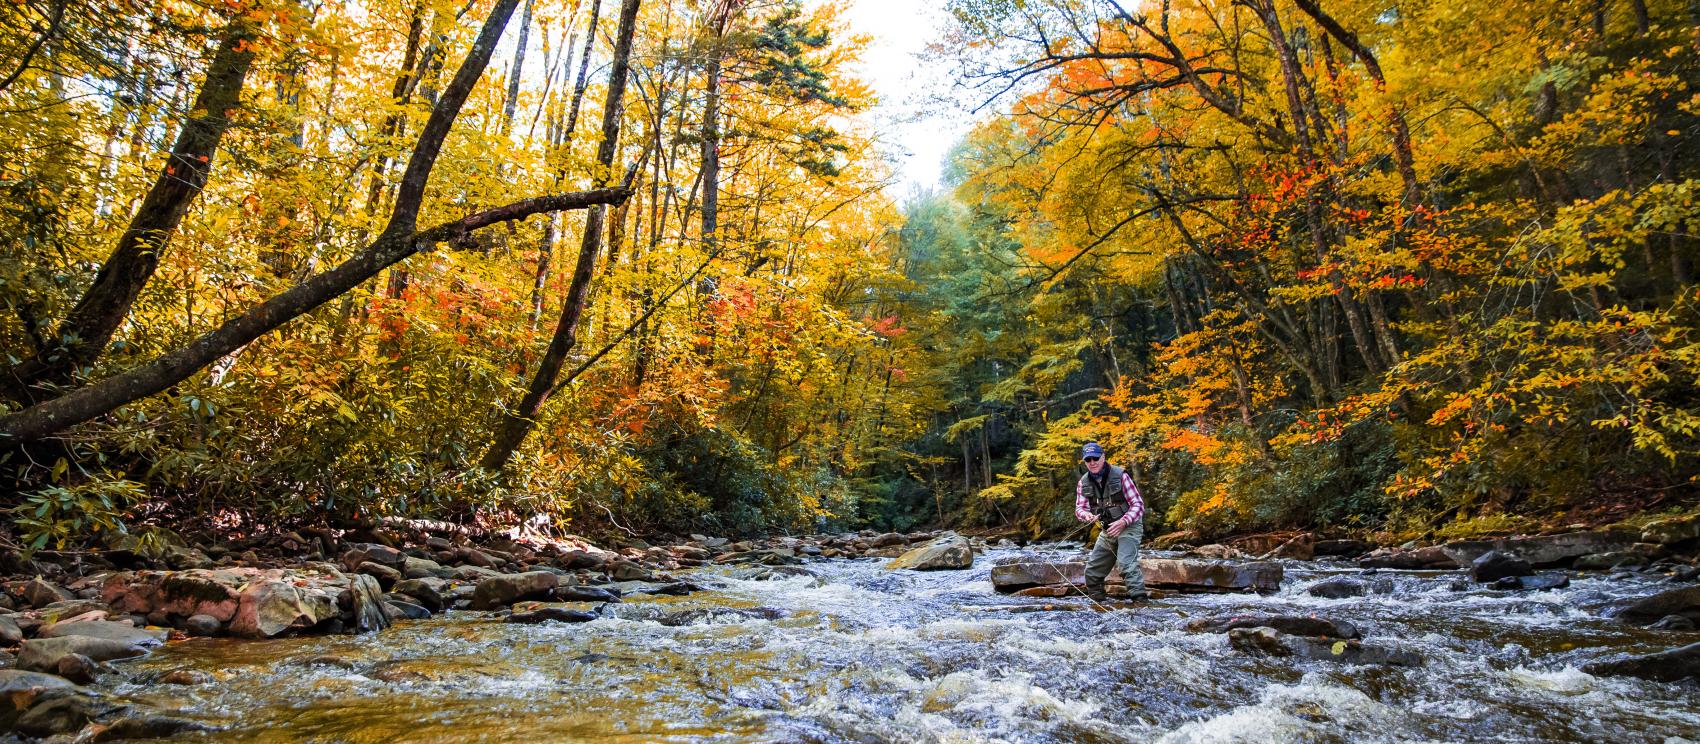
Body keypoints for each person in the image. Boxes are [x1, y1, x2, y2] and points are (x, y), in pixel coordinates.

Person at [1074, 441, 1147, 601]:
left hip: (1129, 526)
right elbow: (1079, 508)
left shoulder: (1121, 476)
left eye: (1096, 458)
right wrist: (1086, 515)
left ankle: (1141, 604)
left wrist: (1124, 521)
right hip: (1107, 529)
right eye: (1088, 460)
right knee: (1092, 572)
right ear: (1085, 462)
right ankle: (1099, 607)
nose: (1092, 463)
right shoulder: (1083, 483)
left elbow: (1138, 505)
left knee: (1126, 564)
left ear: (1103, 457)